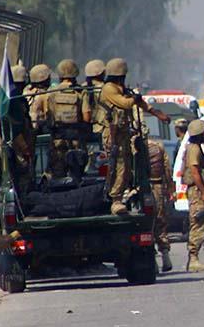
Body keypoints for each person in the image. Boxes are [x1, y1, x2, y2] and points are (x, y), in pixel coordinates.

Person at [97, 58, 170, 215]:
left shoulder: (121, 89)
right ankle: (116, 200)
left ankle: (122, 196)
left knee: (127, 167)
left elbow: (140, 103)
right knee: (119, 166)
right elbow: (125, 103)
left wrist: (157, 113)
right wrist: (134, 99)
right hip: (113, 135)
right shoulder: (109, 89)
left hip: (123, 134)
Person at [46, 59, 85, 179]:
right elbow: (87, 117)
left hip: (57, 139)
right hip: (76, 138)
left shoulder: (52, 92)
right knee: (77, 173)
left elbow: (49, 116)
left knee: (58, 174)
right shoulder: (80, 92)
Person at [183, 119, 204, 272]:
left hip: (197, 190)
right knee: (198, 222)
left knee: (199, 222)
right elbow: (195, 172)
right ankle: (193, 259)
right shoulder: (194, 149)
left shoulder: (194, 148)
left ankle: (193, 258)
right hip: (196, 191)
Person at [147, 137, 174, 272]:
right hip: (157, 186)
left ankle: (152, 261)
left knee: (146, 225)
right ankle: (165, 256)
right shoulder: (158, 146)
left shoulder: (130, 145)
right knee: (160, 222)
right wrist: (170, 188)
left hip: (138, 189)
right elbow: (167, 169)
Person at [82, 59, 107, 133]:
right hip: (102, 129)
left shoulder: (81, 88)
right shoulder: (107, 88)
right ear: (102, 73)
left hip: (84, 129)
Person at [24, 64, 52, 131]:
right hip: (39, 129)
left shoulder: (25, 92)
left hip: (27, 129)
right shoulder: (44, 95)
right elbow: (48, 115)